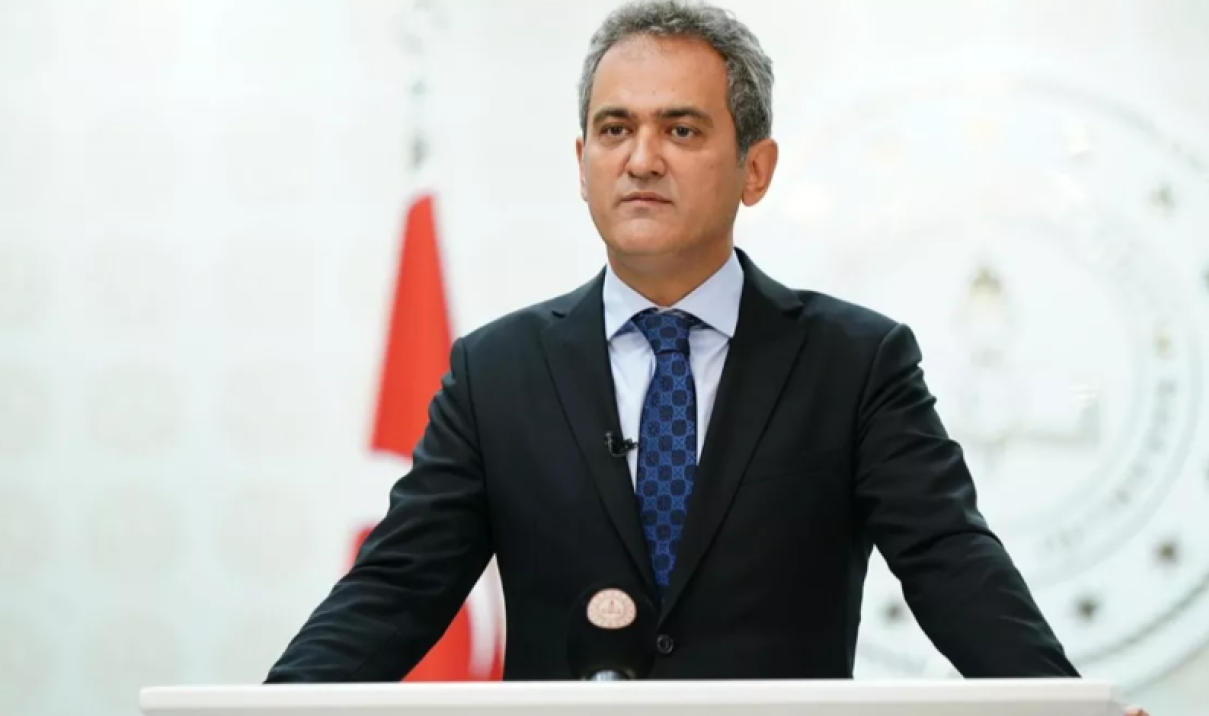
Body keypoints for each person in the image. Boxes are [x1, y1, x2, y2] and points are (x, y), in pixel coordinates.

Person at [265, 2, 1147, 712]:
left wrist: (1066, 707)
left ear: (755, 169)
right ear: (582, 162)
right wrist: (270, 708)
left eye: (681, 130)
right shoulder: (494, 373)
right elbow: (396, 587)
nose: (641, 159)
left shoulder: (856, 364)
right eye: (614, 129)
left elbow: (952, 565)